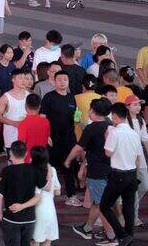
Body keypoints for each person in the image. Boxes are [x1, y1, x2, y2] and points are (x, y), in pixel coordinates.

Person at [67, 98, 115, 242]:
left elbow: (78, 148)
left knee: (102, 205)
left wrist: (68, 160)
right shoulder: (111, 125)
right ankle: (87, 228)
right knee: (97, 202)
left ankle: (112, 236)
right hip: (111, 170)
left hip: (97, 171)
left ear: (93, 112)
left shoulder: (91, 128)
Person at [99, 103, 143, 246]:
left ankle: (122, 234)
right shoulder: (134, 133)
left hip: (118, 174)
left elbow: (108, 152)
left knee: (105, 206)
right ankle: (129, 236)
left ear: (116, 117)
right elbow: (137, 157)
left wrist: (106, 137)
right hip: (131, 174)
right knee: (128, 207)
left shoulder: (114, 132)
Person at [40, 71, 82, 207]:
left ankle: (71, 196)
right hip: (53, 139)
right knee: (48, 167)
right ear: (54, 81)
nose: (63, 82)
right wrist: (46, 135)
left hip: (69, 139)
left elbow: (75, 117)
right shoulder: (48, 97)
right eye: (60, 79)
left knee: (69, 166)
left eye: (65, 79)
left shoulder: (71, 98)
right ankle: (43, 196)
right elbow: (42, 117)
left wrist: (77, 121)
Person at [0, 141, 44, 245]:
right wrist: (22, 206)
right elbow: (40, 194)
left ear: (10, 153)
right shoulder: (34, 170)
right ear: (26, 153)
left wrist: (0, 214)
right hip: (29, 218)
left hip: (11, 218)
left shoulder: (7, 170)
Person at [124, 95, 148, 227]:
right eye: (135, 104)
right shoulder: (124, 121)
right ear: (127, 107)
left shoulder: (141, 120)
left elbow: (145, 139)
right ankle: (133, 217)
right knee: (133, 189)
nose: (138, 107)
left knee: (146, 185)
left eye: (139, 104)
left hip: (140, 159)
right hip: (128, 160)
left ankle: (130, 209)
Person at [0, 70, 31, 156]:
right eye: (20, 78)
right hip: (11, 137)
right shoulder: (5, 97)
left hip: (27, 136)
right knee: (13, 163)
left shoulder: (28, 95)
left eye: (25, 78)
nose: (23, 81)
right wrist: (14, 123)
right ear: (13, 80)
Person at [31, 146, 61, 245]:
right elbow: (58, 192)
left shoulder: (32, 171)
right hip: (50, 210)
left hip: (36, 210)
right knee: (48, 240)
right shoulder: (52, 170)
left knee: (35, 240)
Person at [18, 94, 50, 163]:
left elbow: (21, 144)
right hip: (42, 158)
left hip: (28, 160)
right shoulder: (46, 121)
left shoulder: (23, 123)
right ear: (39, 107)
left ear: (26, 106)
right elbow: (47, 139)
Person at [75, 75, 101, 139]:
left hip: (80, 133)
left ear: (83, 86)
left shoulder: (75, 98)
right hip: (99, 132)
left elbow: (75, 118)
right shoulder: (102, 98)